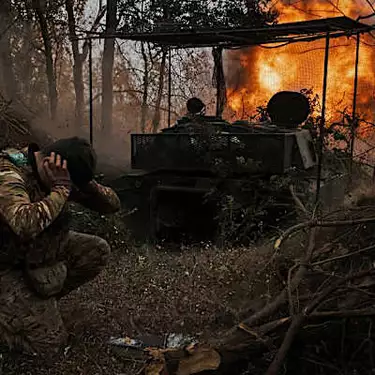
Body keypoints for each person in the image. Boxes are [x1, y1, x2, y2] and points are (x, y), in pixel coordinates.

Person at [0, 137, 121, 356]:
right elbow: (23, 223)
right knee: (49, 346)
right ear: (49, 163)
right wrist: (61, 190)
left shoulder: (58, 174)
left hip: (35, 256)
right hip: (6, 266)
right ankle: (10, 315)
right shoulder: (8, 174)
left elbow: (113, 205)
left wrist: (89, 186)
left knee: (96, 250)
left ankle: (34, 306)